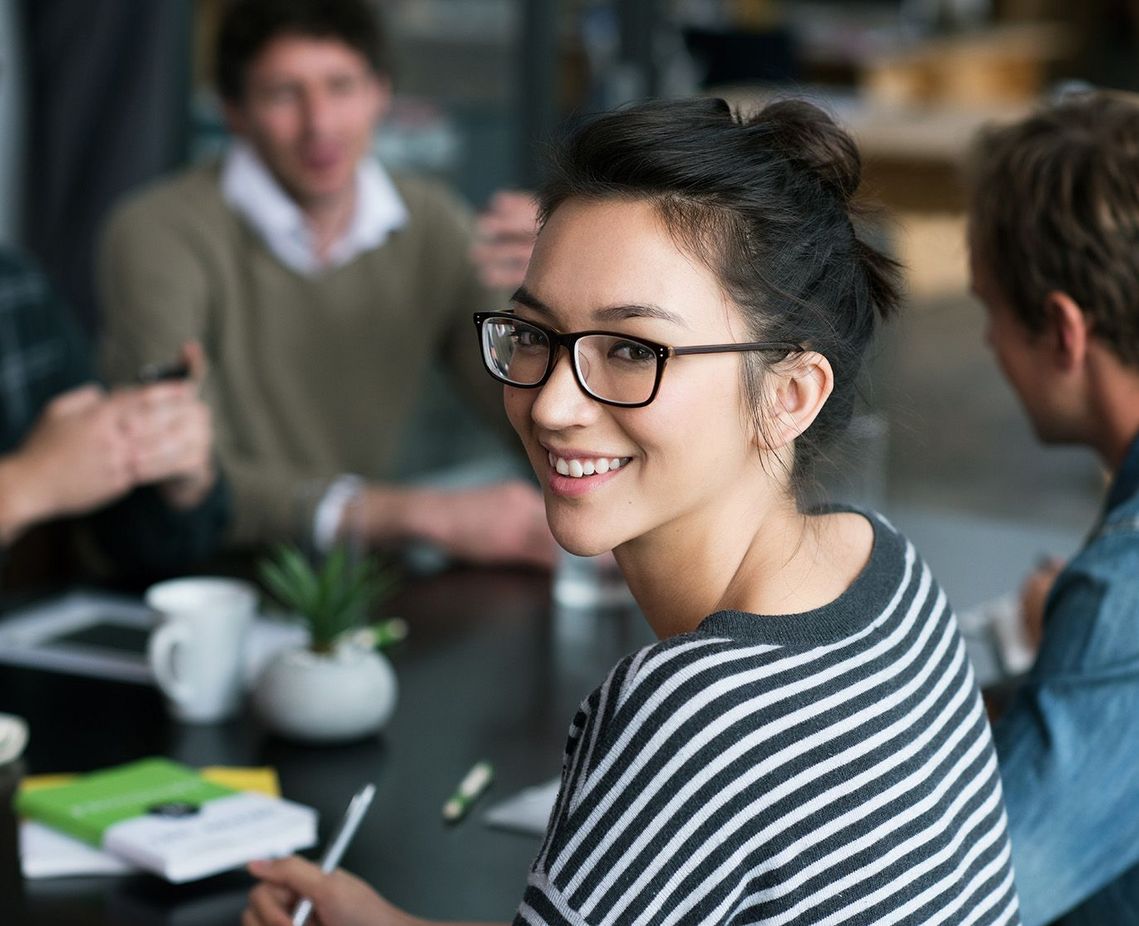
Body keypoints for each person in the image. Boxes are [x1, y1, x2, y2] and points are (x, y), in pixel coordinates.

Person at [244, 98, 1021, 925]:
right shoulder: (882, 567)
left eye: (630, 351)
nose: (550, 405)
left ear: (790, 395)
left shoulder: (693, 712)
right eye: (534, 334)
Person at [98, 0, 551, 567]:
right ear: (234, 110)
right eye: (284, 94)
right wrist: (419, 513)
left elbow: (523, 409)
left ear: (380, 93)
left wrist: (561, 301)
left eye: (341, 86)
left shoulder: (431, 222)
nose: (320, 124)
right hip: (195, 577)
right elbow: (178, 469)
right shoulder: (158, 231)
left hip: (349, 583)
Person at [965, 91, 1139, 926]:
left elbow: (975, 902)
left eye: (988, 310)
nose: (987, 344)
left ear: (1063, 331)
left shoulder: (1117, 598)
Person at [0, 247, 226, 581]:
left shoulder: (17, 288)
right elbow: (51, 471)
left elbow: (130, 545)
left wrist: (164, 461)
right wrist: (28, 483)